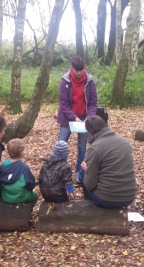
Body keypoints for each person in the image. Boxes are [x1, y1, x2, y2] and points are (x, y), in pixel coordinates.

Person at [56, 56, 98, 184]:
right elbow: (64, 103)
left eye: (81, 70)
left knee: (82, 146)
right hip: (67, 118)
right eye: (76, 70)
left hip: (85, 119)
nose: (79, 73)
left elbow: (93, 103)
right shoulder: (65, 80)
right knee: (61, 144)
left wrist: (87, 118)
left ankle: (80, 173)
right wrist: (74, 117)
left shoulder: (89, 81)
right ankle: (57, 172)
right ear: (72, 68)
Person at [80, 115, 136, 209]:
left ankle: (91, 208)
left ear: (90, 133)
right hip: (130, 196)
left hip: (106, 199)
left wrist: (87, 170)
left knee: (83, 173)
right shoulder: (125, 141)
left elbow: (90, 184)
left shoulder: (95, 148)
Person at [0, 138, 38, 205]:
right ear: (21, 153)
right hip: (19, 197)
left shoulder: (4, 164)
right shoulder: (24, 168)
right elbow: (30, 183)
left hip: (5, 195)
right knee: (34, 196)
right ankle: (29, 210)